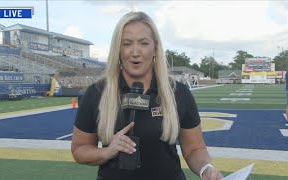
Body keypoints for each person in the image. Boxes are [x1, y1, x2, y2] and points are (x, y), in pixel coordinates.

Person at [71, 11, 223, 180]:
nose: (135, 52)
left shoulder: (178, 92)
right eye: (127, 44)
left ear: (155, 48)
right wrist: (108, 151)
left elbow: (194, 149)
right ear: (118, 49)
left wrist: (205, 168)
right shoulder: (97, 92)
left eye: (143, 43)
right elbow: (79, 150)